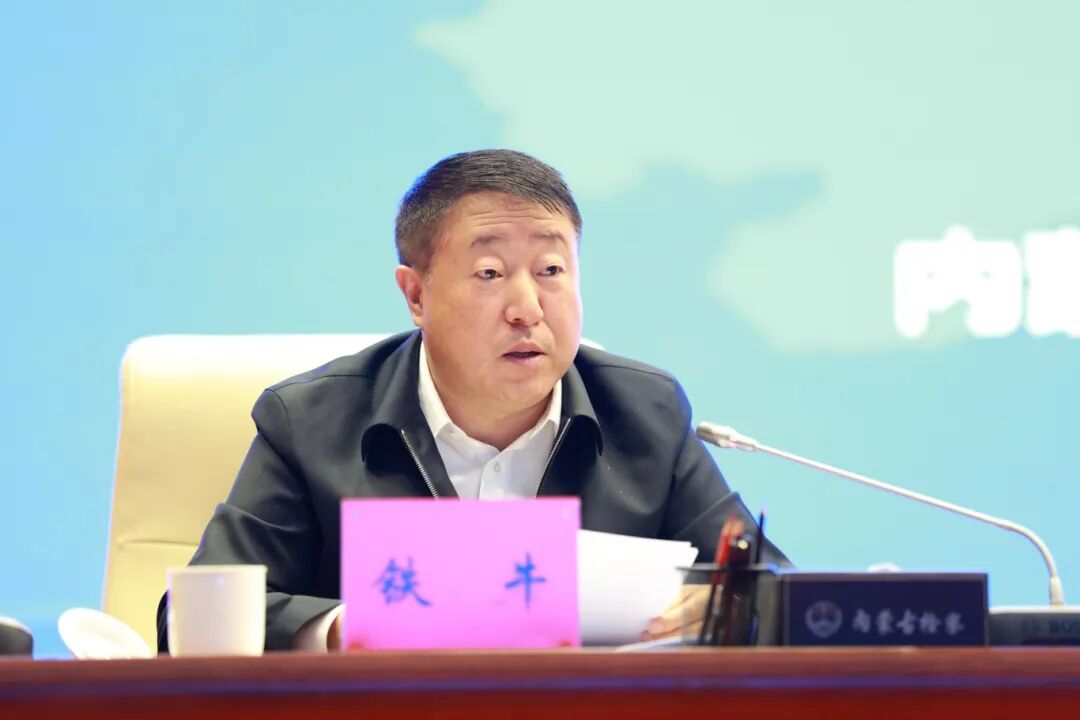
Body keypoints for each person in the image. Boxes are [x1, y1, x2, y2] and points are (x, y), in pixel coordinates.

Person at [156, 149, 787, 652]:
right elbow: (188, 616)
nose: (527, 309)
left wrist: (727, 607)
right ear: (416, 295)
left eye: (551, 270)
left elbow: (780, 594)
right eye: (489, 274)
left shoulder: (645, 412)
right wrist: (351, 630)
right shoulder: (311, 424)